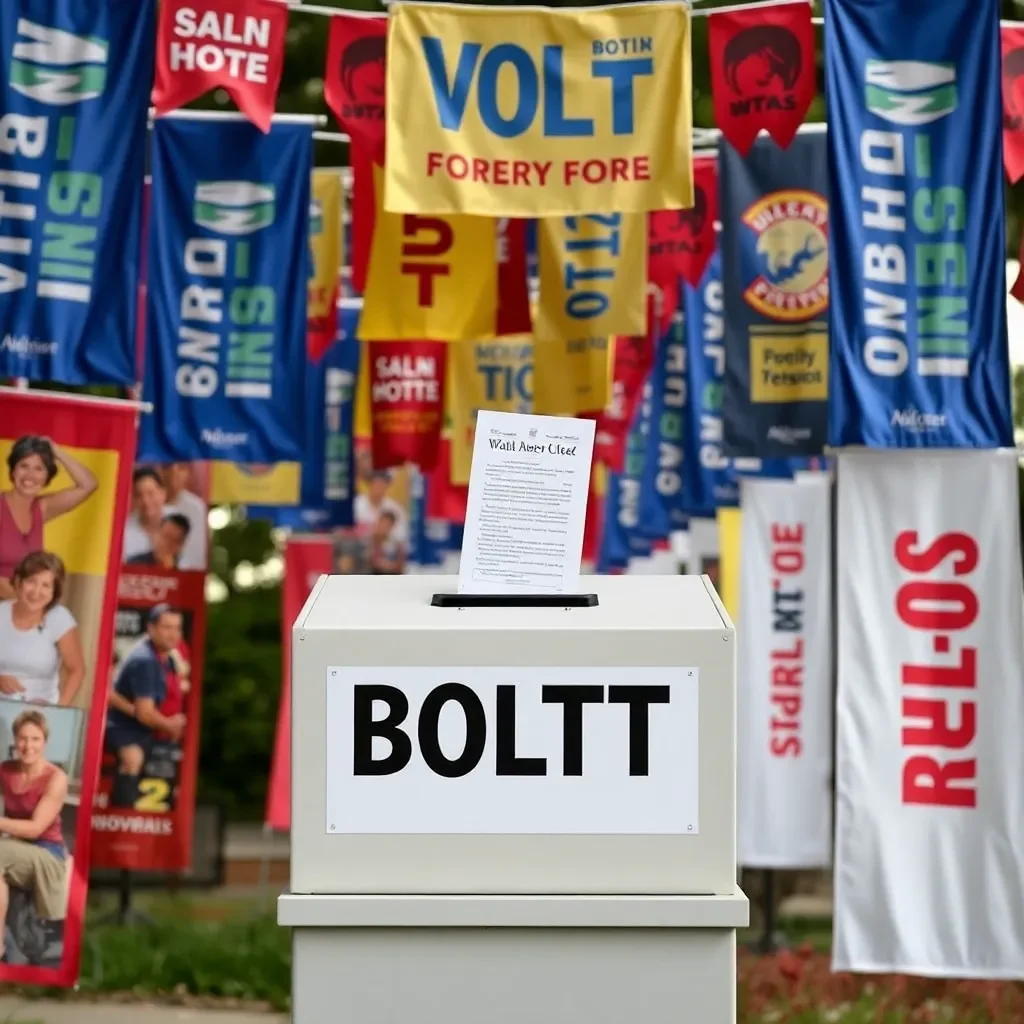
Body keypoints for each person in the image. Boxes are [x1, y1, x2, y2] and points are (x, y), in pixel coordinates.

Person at [0, 709, 69, 958]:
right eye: (22, 738)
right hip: (15, 851)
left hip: (46, 855)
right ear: (14, 740)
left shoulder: (56, 777)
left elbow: (36, 828)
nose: (28, 745)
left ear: (45, 742)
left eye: (35, 739)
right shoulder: (5, 770)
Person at [104, 605, 186, 809]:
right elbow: (145, 712)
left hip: (148, 730)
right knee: (132, 759)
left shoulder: (165, 657)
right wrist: (170, 726)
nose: (173, 633)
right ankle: (119, 822)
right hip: (125, 727)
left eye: (177, 628)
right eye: (166, 627)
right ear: (151, 629)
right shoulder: (146, 661)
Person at [0, 436, 98, 600]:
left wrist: (56, 451)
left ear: (47, 477)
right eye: (24, 466)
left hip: (22, 609)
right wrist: (22, 601)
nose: (30, 475)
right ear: (13, 471)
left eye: (39, 469)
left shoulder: (42, 507)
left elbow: (88, 484)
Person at [0, 552, 84, 707]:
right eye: (31, 581)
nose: (36, 592)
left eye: (46, 585)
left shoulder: (60, 617)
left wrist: (59, 711)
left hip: (41, 714)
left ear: (54, 592)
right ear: (18, 582)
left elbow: (76, 670)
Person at [160, 463, 207, 570]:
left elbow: (196, 555)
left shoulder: (196, 508)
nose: (174, 473)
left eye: (181, 468)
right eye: (168, 467)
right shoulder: (147, 501)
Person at [121, 467, 167, 564]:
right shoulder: (124, 533)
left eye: (150, 493)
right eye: (139, 495)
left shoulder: (180, 522)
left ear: (163, 494)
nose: (145, 501)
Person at [354, 470, 407, 543]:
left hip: (388, 551)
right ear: (370, 483)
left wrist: (384, 534)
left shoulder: (395, 509)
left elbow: (401, 536)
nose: (379, 487)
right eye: (376, 482)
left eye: (383, 483)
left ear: (388, 485)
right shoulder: (356, 505)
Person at [125, 514, 191, 570]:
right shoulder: (133, 564)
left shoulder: (186, 571)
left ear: (182, 545)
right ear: (156, 534)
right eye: (166, 536)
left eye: (174, 540)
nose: (167, 543)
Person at [369, 510, 406, 575]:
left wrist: (393, 566)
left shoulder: (396, 544)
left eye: (388, 524)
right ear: (378, 522)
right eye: (382, 523)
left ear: (392, 526)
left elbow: (401, 563)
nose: (384, 527)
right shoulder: (368, 541)